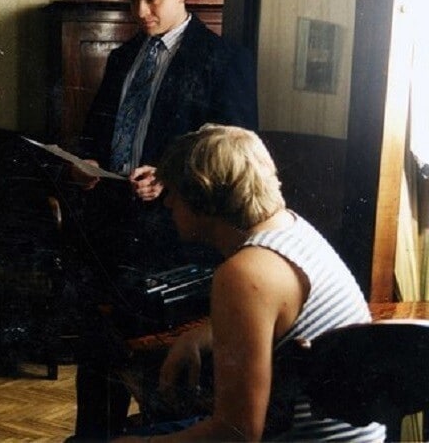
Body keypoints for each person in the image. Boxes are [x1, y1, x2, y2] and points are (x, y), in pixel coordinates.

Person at [66, 0, 257, 439]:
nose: (140, 12)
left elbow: (235, 156)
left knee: (163, 384)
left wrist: (171, 178)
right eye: (132, 0)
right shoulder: (123, 57)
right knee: (98, 373)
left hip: (175, 242)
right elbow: (94, 135)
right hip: (109, 236)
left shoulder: (222, 60)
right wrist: (87, 164)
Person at [114, 124, 385, 441]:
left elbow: (237, 435)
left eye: (173, 191)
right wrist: (199, 336)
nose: (168, 203)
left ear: (202, 195)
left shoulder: (244, 273)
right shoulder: (289, 228)